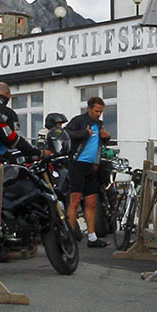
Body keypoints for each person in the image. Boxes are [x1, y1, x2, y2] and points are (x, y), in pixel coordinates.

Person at [62, 96, 111, 246]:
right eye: (96, 111)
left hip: (92, 166)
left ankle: (92, 237)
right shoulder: (79, 120)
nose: (98, 114)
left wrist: (107, 137)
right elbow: (65, 133)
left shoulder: (99, 124)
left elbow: (98, 143)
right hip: (77, 164)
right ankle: (69, 237)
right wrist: (84, 133)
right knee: (75, 199)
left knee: (91, 201)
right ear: (89, 108)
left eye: (100, 112)